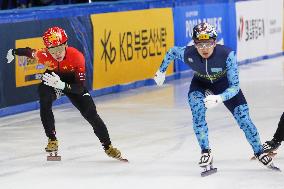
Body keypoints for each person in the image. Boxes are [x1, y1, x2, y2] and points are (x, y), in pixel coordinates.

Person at [153, 22, 276, 169]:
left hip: (224, 84)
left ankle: (259, 152)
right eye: (200, 44)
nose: (204, 49)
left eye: (209, 44)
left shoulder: (227, 55)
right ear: (194, 43)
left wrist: (220, 97)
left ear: (215, 42)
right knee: (197, 111)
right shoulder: (188, 53)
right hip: (200, 83)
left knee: (244, 119)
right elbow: (172, 52)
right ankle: (205, 151)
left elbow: (235, 86)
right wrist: (161, 71)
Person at [6, 26, 124, 161]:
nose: (57, 53)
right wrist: (13, 51)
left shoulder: (77, 57)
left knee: (90, 113)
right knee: (44, 96)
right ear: (48, 49)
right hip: (53, 80)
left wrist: (62, 85)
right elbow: (29, 52)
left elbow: (80, 88)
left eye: (60, 49)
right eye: (53, 50)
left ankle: (108, 146)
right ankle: (52, 139)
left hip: (72, 85)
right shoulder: (44, 55)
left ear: (66, 45)